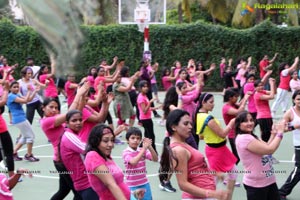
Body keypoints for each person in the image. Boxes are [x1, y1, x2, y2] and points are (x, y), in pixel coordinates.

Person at [159, 109, 228, 200]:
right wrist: (212, 194)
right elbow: (182, 184)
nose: (190, 127)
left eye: (190, 123)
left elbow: (194, 168)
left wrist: (214, 173)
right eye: (186, 124)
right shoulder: (179, 150)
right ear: (174, 127)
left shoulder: (184, 144)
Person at [40, 82, 89, 200]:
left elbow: (73, 113)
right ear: (43, 108)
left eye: (56, 108)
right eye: (51, 107)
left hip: (62, 160)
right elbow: (69, 115)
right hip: (62, 162)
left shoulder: (55, 119)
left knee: (64, 190)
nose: (54, 110)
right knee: (78, 193)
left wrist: (81, 97)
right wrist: (78, 94)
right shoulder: (46, 122)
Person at [195, 92, 239, 200]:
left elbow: (201, 136)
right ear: (203, 103)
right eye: (211, 102)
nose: (213, 104)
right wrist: (232, 123)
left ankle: (228, 197)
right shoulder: (208, 119)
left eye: (213, 102)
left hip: (217, 149)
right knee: (214, 181)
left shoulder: (198, 116)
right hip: (217, 151)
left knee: (233, 172)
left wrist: (211, 137)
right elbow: (223, 134)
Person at [84, 123, 145, 200]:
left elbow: (118, 183)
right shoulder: (92, 156)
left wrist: (133, 193)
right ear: (95, 141)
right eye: (105, 141)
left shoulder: (106, 156)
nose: (110, 144)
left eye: (112, 140)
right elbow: (111, 184)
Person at [235, 111, 285, 200]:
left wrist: (273, 134)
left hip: (268, 180)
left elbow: (266, 147)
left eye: (251, 120)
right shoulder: (244, 139)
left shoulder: (251, 136)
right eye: (245, 121)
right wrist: (280, 133)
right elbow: (269, 150)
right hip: (256, 185)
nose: (250, 123)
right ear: (239, 125)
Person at [60, 109, 98, 200]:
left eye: (80, 120)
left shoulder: (74, 135)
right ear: (67, 123)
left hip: (85, 180)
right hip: (85, 182)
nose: (78, 123)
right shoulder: (69, 136)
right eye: (74, 120)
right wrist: (111, 136)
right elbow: (87, 150)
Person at [122, 127, 158, 200]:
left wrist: (150, 147)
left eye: (138, 138)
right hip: (131, 185)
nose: (135, 140)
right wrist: (144, 148)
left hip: (144, 183)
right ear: (127, 140)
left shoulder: (142, 150)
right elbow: (133, 162)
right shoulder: (126, 152)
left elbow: (155, 159)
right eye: (133, 138)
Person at [8, 81, 40, 162]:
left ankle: (13, 152)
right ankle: (29, 155)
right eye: (14, 87)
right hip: (19, 119)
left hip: (21, 118)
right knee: (31, 136)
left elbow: (28, 100)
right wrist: (29, 90)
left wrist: (34, 91)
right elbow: (25, 101)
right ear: (10, 88)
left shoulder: (16, 95)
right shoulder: (11, 96)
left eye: (17, 87)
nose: (16, 88)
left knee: (25, 136)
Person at [278, 90, 300, 199]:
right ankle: (282, 192)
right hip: (299, 144)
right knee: (299, 170)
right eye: (298, 99)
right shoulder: (289, 112)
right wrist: (294, 126)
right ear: (294, 100)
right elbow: (282, 128)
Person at [222, 88, 250, 164]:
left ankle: (229, 171)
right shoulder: (226, 108)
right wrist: (245, 99)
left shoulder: (233, 104)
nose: (237, 98)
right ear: (230, 98)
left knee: (237, 156)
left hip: (237, 133)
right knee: (236, 157)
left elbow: (240, 104)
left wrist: (245, 97)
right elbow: (239, 112)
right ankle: (226, 170)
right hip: (232, 135)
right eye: (236, 96)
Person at [137, 80, 160, 153]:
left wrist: (155, 108)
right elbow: (144, 111)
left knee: (147, 136)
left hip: (147, 118)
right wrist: (150, 102)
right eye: (144, 86)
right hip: (145, 119)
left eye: (147, 86)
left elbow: (147, 108)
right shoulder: (141, 98)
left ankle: (139, 148)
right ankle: (154, 153)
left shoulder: (144, 95)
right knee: (151, 137)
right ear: (140, 88)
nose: (146, 88)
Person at [254, 78, 276, 142]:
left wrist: (273, 84)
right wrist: (271, 84)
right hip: (263, 117)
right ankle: (264, 150)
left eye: (261, 85)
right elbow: (272, 96)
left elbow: (274, 92)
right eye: (258, 86)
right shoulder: (258, 94)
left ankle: (266, 150)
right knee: (266, 137)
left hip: (267, 116)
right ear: (255, 88)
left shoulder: (262, 91)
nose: (261, 87)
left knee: (269, 136)